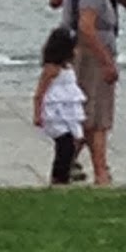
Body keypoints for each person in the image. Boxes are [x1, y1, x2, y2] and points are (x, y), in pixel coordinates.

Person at [60, 0, 125, 186]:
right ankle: (100, 172)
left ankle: (69, 166)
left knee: (88, 117)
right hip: (91, 57)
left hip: (85, 54)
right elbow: (86, 27)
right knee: (96, 119)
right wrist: (106, 61)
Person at [32, 26, 86, 186]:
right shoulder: (51, 69)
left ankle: (65, 173)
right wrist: (38, 114)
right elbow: (39, 93)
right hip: (55, 112)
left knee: (73, 142)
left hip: (67, 111)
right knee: (64, 144)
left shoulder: (67, 67)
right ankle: (59, 177)